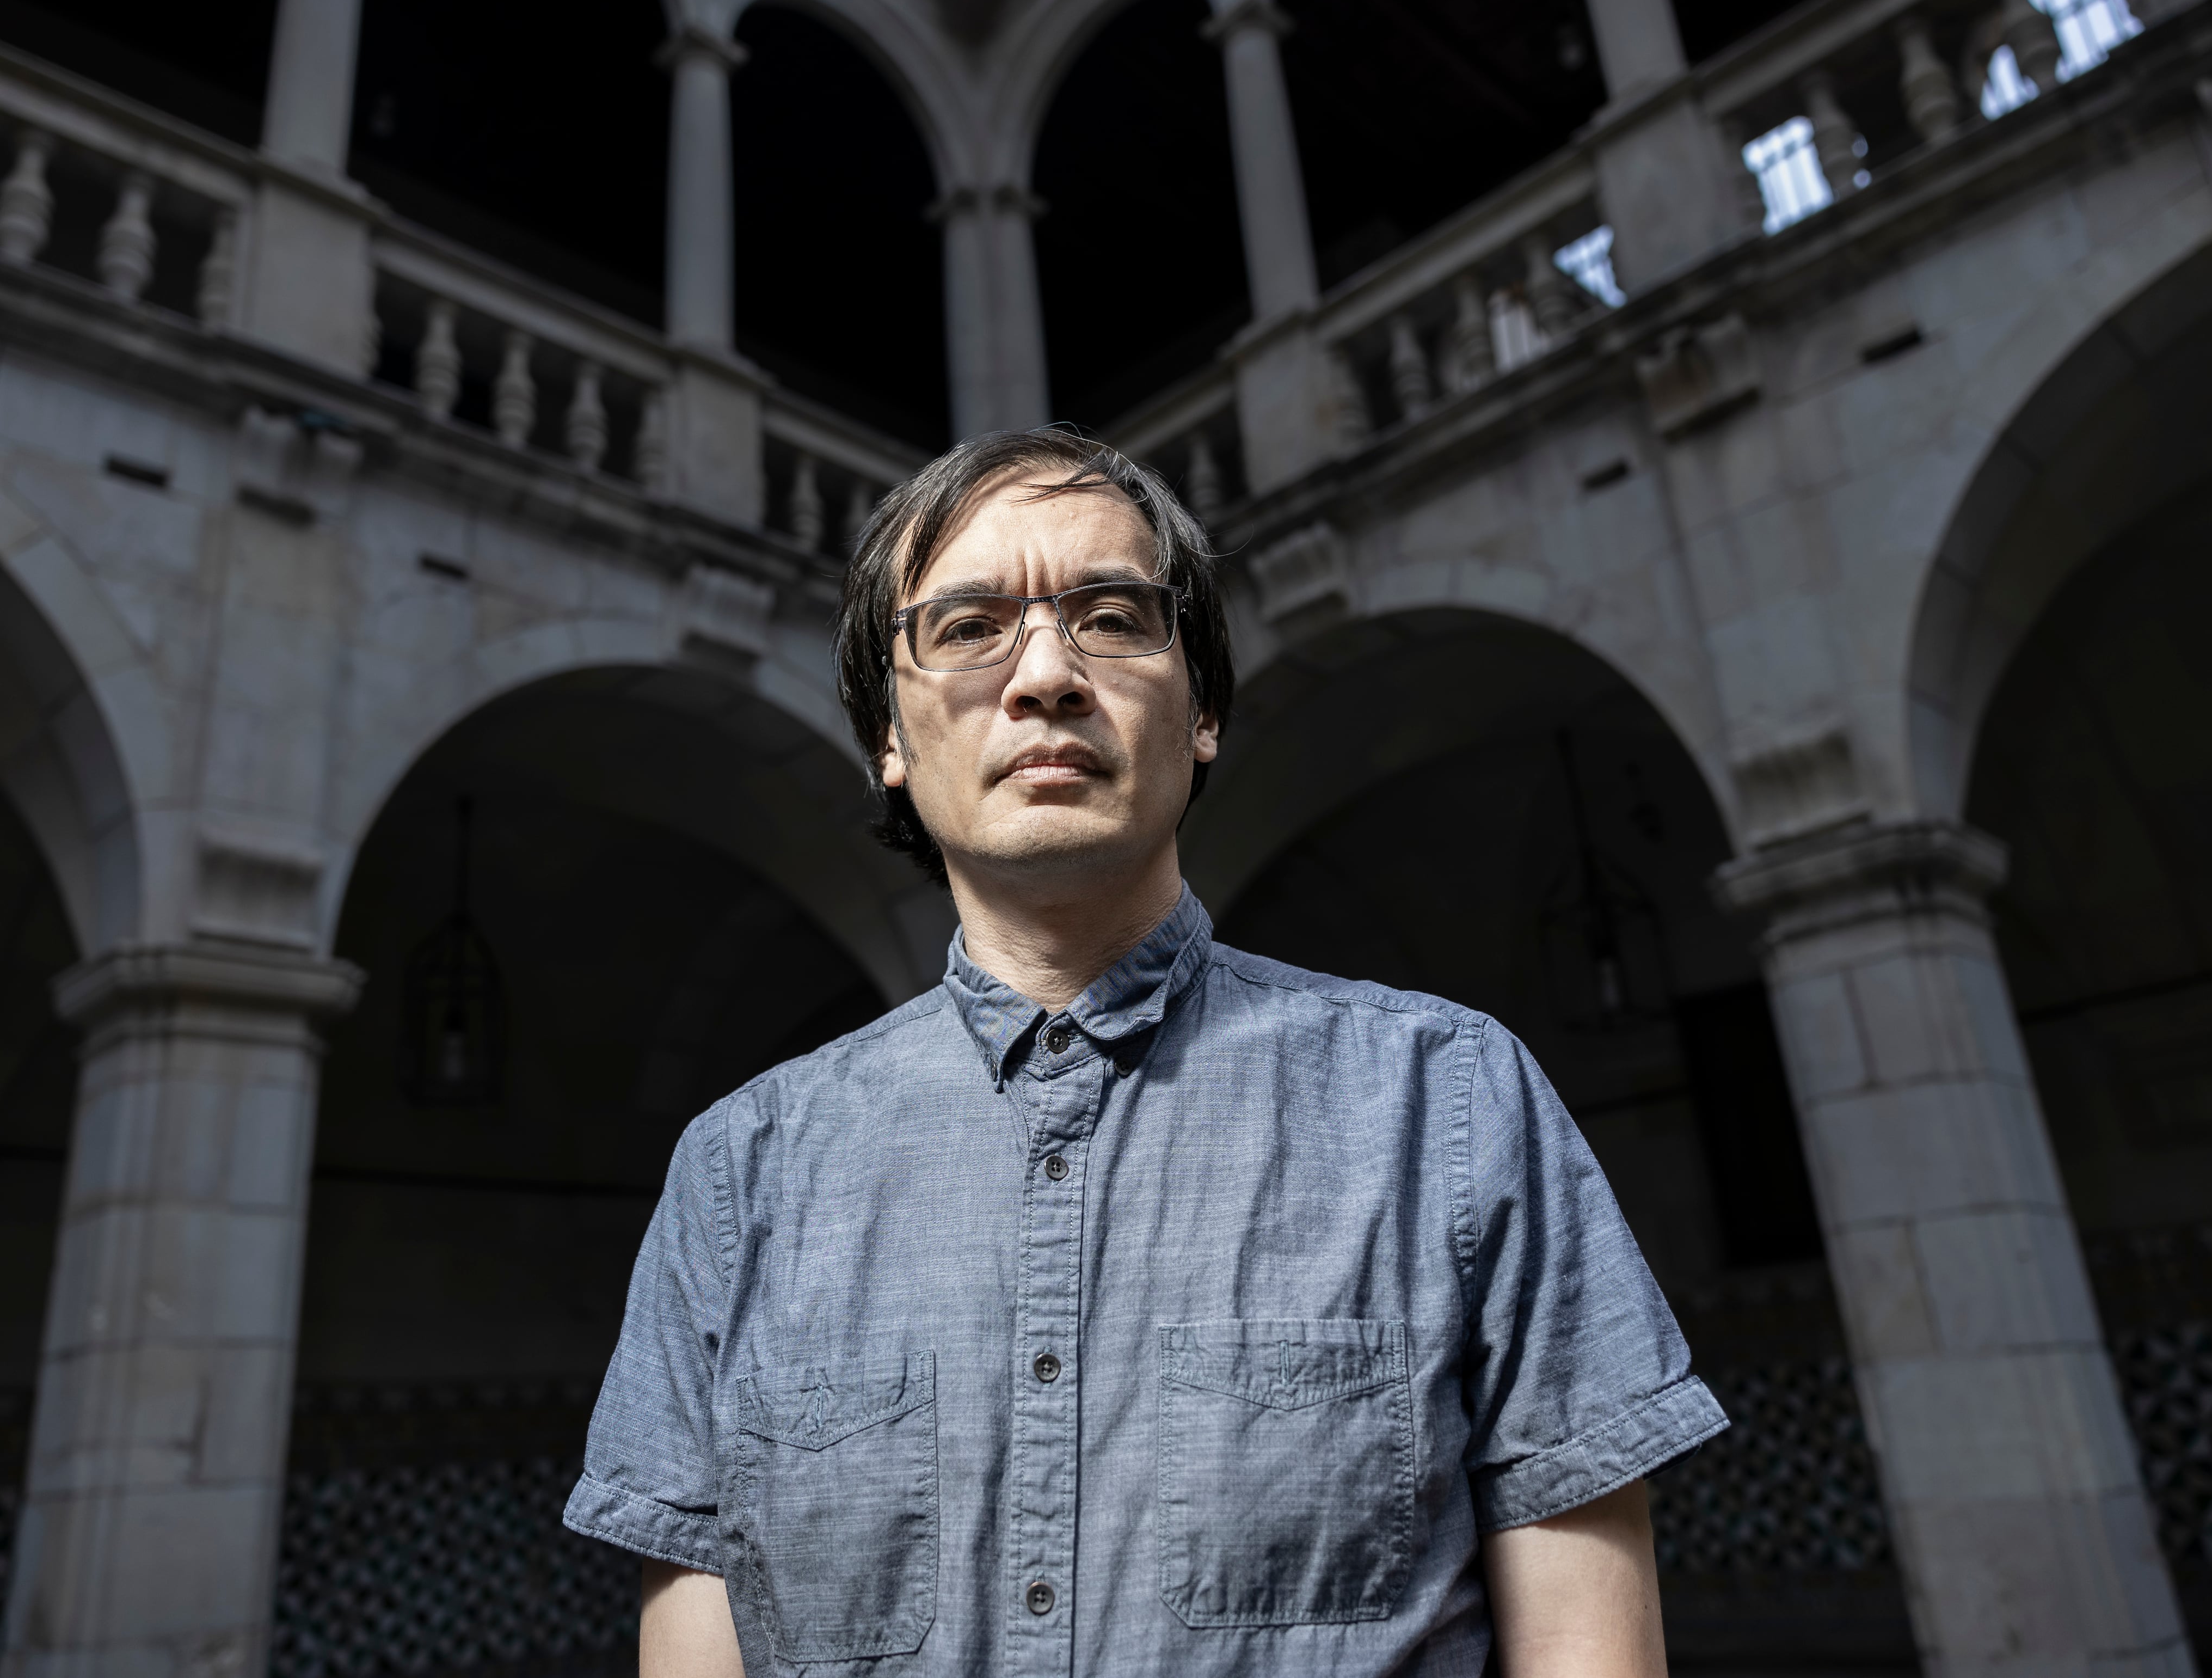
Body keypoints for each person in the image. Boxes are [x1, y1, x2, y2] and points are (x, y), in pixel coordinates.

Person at [564, 428, 1726, 1677]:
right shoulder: (743, 1173)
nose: (1046, 674)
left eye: (1113, 616)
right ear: (887, 743)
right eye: (966, 627)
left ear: (1206, 709)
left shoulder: (1446, 1099)